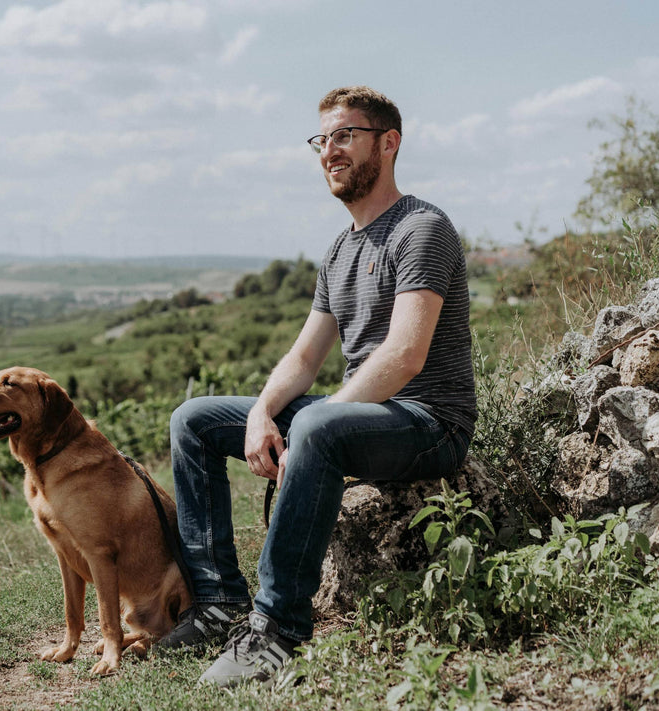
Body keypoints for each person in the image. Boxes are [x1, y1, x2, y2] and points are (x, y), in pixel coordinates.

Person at [155, 86, 477, 687]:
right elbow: (305, 357)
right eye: (321, 139)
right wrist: (263, 413)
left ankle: (276, 628)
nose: (329, 150)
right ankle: (220, 602)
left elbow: (405, 357)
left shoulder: (423, 229)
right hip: (365, 415)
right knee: (193, 419)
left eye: (345, 136)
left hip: (430, 422)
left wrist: (308, 421)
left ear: (389, 144)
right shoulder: (340, 250)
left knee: (319, 423)